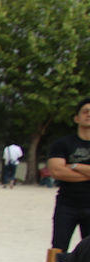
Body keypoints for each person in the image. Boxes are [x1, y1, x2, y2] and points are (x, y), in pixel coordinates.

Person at [47, 97, 90, 251]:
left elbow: (63, 169)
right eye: (85, 111)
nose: (89, 114)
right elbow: (57, 171)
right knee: (58, 250)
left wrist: (74, 166)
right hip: (66, 205)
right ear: (76, 118)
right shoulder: (62, 143)